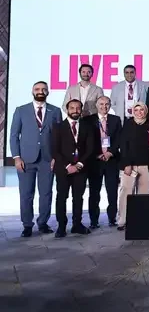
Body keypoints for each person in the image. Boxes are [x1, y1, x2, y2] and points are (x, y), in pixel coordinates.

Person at [10, 81, 62, 237]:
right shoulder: (21, 110)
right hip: (26, 159)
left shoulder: (55, 111)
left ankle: (43, 223)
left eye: (44, 89)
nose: (41, 91)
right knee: (26, 194)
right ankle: (27, 225)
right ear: (32, 91)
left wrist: (56, 157)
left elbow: (59, 137)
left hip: (47, 159)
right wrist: (16, 157)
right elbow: (14, 135)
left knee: (46, 193)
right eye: (37, 89)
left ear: (48, 92)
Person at [52, 99, 94, 237]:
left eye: (78, 108)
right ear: (67, 109)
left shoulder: (87, 127)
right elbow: (55, 150)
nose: (75, 110)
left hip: (81, 169)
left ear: (81, 110)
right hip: (63, 169)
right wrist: (68, 166)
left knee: (78, 197)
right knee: (61, 197)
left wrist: (79, 165)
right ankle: (61, 226)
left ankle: (77, 225)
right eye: (72, 108)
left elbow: (90, 148)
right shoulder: (58, 127)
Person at [86, 96, 122, 229]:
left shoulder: (116, 119)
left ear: (110, 105)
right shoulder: (88, 120)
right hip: (95, 161)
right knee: (94, 192)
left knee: (112, 191)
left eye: (107, 104)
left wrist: (110, 152)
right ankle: (94, 220)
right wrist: (97, 154)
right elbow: (87, 140)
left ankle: (112, 218)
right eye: (101, 104)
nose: (104, 106)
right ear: (96, 105)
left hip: (111, 160)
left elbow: (119, 139)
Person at [117, 102, 149, 231]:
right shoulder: (128, 124)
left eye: (141, 109)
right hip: (129, 165)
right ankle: (123, 220)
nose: (139, 112)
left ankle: (142, 220)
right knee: (126, 192)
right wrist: (127, 164)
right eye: (136, 110)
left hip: (146, 165)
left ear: (145, 111)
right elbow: (123, 145)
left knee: (145, 193)